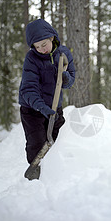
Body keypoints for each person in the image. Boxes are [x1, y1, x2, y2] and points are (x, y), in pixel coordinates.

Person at [19, 19, 75, 165]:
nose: (42, 49)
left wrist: (66, 78)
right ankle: (36, 174)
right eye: (37, 47)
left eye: (44, 44)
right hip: (32, 109)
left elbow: (71, 78)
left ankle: (55, 172)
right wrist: (41, 107)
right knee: (37, 143)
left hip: (55, 107)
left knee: (59, 140)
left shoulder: (64, 54)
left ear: (52, 37)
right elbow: (28, 88)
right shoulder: (31, 59)